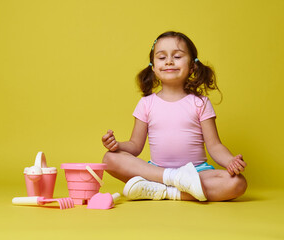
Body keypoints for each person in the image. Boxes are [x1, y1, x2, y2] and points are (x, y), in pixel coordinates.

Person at [101, 31, 247, 202]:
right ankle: (172, 180)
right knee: (109, 158)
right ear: (153, 67)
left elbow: (215, 146)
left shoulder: (200, 103)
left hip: (196, 172)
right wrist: (117, 145)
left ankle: (164, 191)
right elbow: (135, 146)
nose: (169, 61)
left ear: (192, 66)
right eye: (162, 57)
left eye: (177, 56)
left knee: (237, 183)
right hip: (155, 171)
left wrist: (230, 161)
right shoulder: (146, 103)